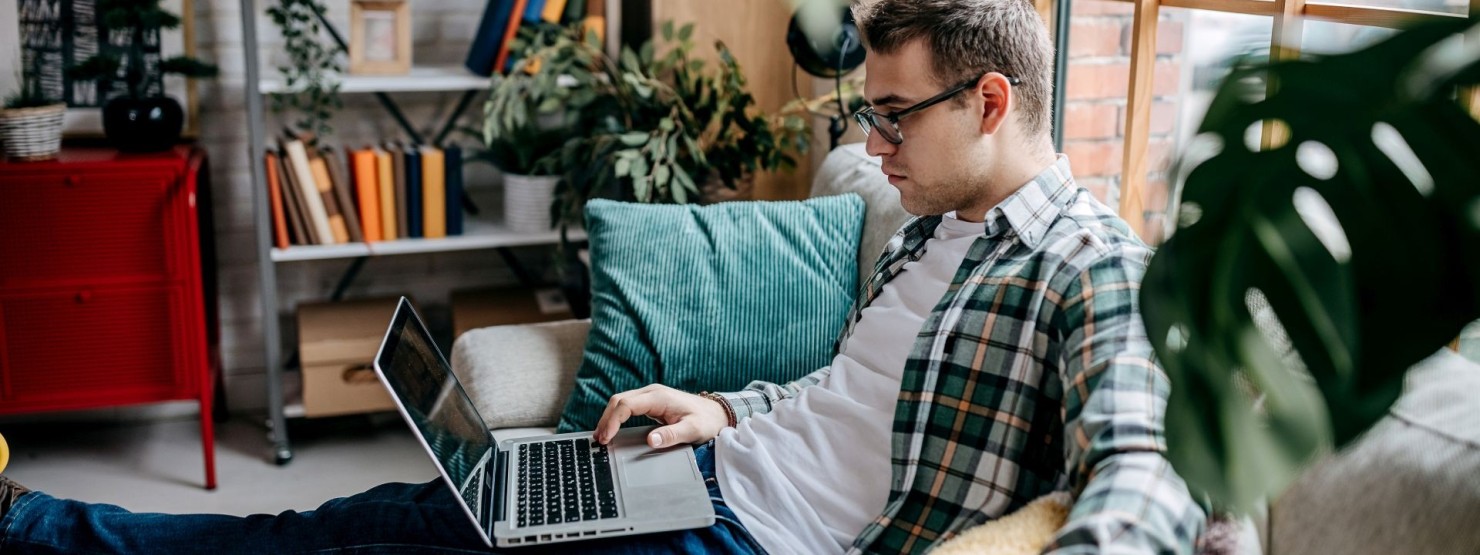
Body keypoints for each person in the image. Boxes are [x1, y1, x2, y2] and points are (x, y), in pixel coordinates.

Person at [0, 0, 1207, 553]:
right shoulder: (929, 224)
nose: (875, 147)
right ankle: (38, 524)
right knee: (359, 517)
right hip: (702, 473)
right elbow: (852, 399)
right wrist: (729, 408)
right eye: (869, 118)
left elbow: (1152, 487)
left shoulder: (1089, 270)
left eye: (893, 119)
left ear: (990, 101)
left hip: (739, 540)